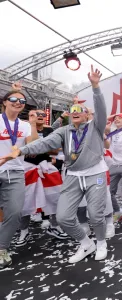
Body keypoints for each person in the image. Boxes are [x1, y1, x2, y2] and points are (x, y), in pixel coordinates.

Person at [0, 66, 109, 264]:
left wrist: (95, 87)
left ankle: (101, 242)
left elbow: (101, 110)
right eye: (72, 110)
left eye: (80, 110)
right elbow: (43, 143)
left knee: (95, 214)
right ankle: (86, 243)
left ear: (87, 116)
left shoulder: (96, 127)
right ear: (68, 115)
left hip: (96, 174)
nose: (75, 112)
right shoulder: (63, 131)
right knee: (63, 217)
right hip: (73, 175)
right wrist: (21, 150)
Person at [0, 82, 39, 268]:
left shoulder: (23, 126)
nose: (18, 102)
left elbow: (33, 147)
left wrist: (32, 124)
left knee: (14, 213)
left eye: (22, 101)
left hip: (15, 173)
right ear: (4, 102)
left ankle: (2, 248)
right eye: (13, 99)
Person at [16, 109, 67, 247]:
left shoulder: (50, 130)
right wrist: (41, 145)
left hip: (47, 168)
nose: (40, 116)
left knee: (56, 198)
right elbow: (25, 147)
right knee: (25, 202)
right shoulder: (22, 127)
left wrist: (40, 148)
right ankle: (23, 231)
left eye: (43, 114)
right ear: (29, 116)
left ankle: (55, 226)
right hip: (27, 168)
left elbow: (55, 150)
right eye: (35, 114)